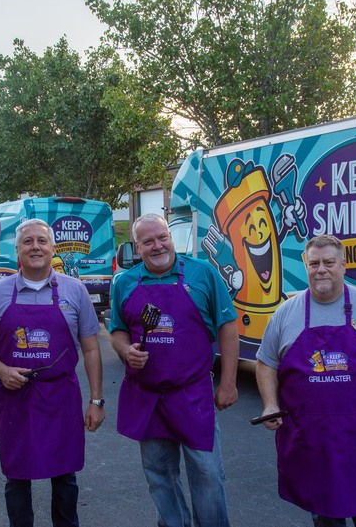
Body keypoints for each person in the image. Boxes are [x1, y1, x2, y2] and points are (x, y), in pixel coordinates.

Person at [255, 234, 356, 527]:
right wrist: (269, 404)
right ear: (305, 265)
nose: (321, 270)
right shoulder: (286, 313)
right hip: (312, 442)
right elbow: (266, 363)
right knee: (325, 515)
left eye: (329, 262)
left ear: (344, 265)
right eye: (314, 263)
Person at [0, 218, 105, 527]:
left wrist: (96, 401)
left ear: (53, 248)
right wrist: (2, 370)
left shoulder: (75, 291)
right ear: (17, 250)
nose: (35, 247)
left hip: (61, 397)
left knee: (65, 476)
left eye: (42, 241)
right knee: (17, 477)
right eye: (28, 241)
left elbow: (92, 349)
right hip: (15, 398)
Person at [108, 213, 239, 527]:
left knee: (207, 474)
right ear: (136, 248)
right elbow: (116, 330)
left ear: (171, 237)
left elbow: (228, 327)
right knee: (159, 475)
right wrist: (126, 351)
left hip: (192, 393)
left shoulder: (202, 273)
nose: (157, 246)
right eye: (148, 241)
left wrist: (229, 383)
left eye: (162, 237)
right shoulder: (124, 283)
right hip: (147, 396)